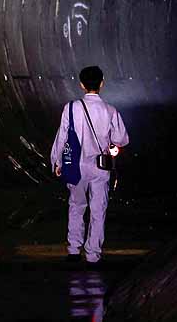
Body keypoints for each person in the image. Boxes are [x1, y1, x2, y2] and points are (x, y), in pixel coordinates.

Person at [50, 66, 129, 264]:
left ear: (81, 84)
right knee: (98, 209)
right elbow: (121, 139)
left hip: (75, 166)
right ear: (102, 83)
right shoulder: (110, 110)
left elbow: (62, 138)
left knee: (76, 206)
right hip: (100, 167)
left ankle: (74, 250)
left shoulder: (70, 108)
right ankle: (93, 254)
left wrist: (57, 161)